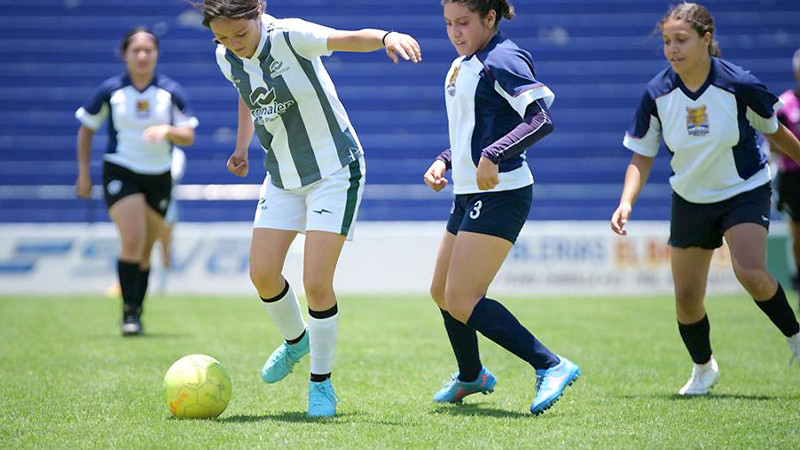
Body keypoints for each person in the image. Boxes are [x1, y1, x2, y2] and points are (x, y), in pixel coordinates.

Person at [195, 0, 421, 418]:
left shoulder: (290, 35)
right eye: (221, 38)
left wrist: (388, 37)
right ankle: (296, 340)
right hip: (282, 174)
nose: (232, 46)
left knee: (315, 283)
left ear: (258, 12)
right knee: (262, 273)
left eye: (239, 35)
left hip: (335, 171)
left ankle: (322, 386)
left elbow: (347, 38)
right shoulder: (227, 55)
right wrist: (242, 147)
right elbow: (246, 91)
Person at [610, 3, 800, 396]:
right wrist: (626, 201)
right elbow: (641, 155)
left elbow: (775, 132)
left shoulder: (739, 84)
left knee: (749, 271)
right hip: (690, 198)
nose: (672, 49)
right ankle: (703, 368)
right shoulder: (657, 93)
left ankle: (796, 338)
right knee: (686, 300)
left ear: (706, 40)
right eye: (666, 41)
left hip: (742, 189)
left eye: (681, 40)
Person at [423, 0, 580, 415]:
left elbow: (539, 118)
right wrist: (445, 159)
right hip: (468, 193)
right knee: (442, 292)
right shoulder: (464, 62)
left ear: (490, 18)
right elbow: (474, 127)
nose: (455, 32)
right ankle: (471, 375)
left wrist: (494, 154)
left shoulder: (503, 57)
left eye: (464, 22)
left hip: (502, 193)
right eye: (448, 24)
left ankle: (551, 364)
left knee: (461, 297)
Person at [75, 28, 198, 336]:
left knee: (146, 249)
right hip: (121, 170)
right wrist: (83, 173)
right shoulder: (111, 91)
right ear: (125, 54)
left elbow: (189, 135)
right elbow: (86, 128)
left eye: (149, 50)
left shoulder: (169, 92)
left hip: (159, 175)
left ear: (156, 54)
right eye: (136, 50)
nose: (143, 56)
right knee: (132, 239)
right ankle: (128, 313)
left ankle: (138, 311)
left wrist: (166, 131)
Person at [771, 49, 800, 301]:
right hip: (793, 178)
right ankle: (798, 280)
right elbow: (771, 142)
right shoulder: (785, 105)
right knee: (797, 234)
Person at [155, 147, 187, 294]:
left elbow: (173, 174)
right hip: (147, 199)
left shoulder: (176, 153)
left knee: (165, 243)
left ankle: (164, 282)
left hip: (166, 199)